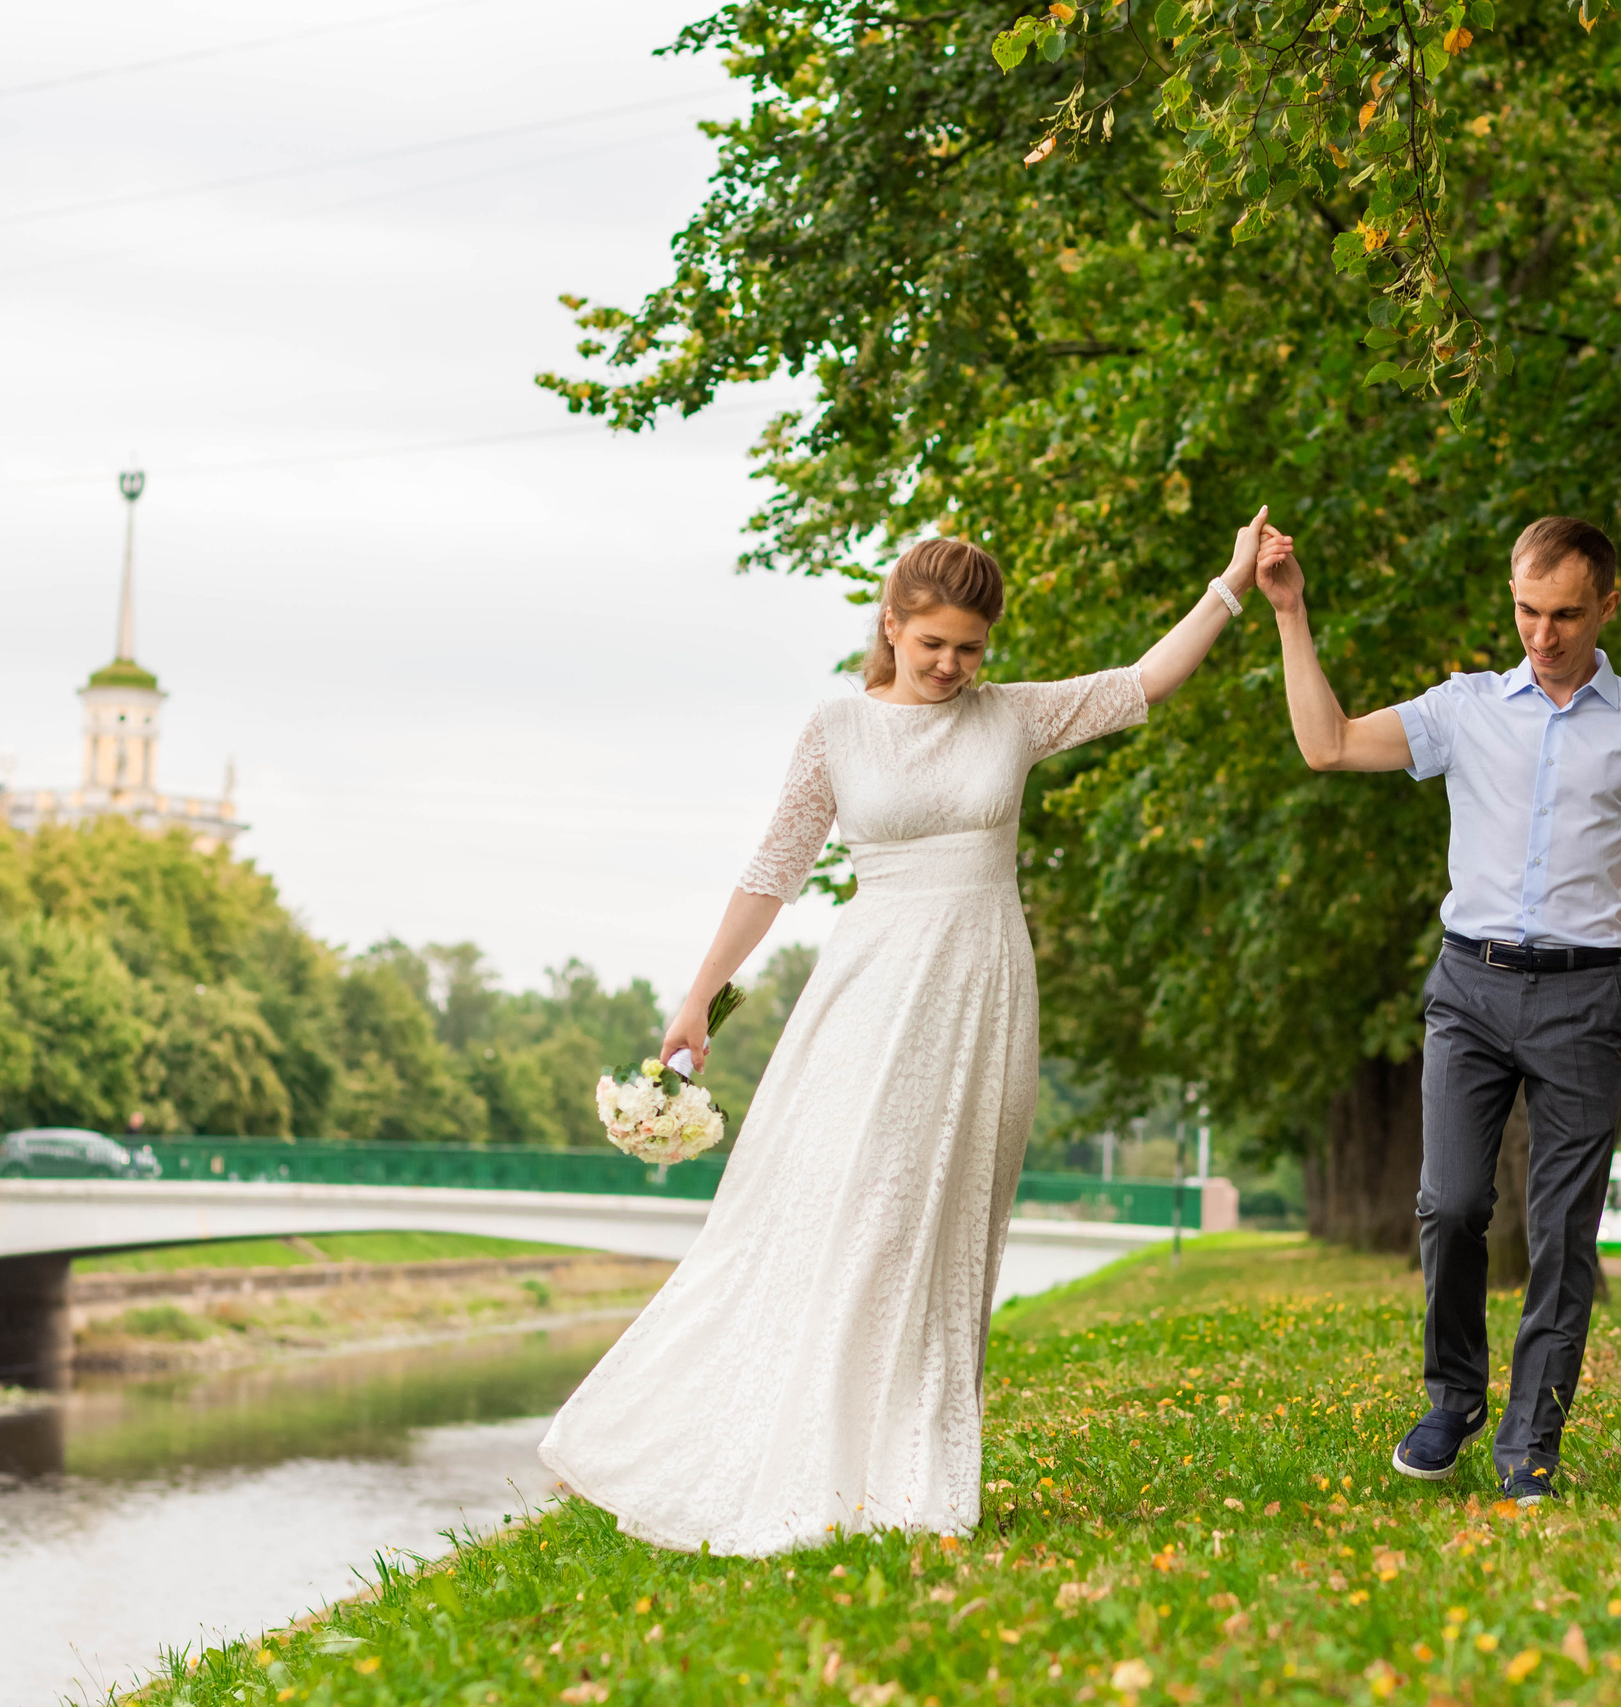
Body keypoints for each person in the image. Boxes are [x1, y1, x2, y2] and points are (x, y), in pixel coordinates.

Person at [539, 514, 1275, 1556]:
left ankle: (911, 1477)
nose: (951, 666)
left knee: (942, 1224)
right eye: (933, 644)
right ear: (891, 624)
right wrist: (700, 995)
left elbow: (1140, 684)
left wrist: (1231, 584)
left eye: (971, 648)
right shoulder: (834, 730)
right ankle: (779, 1456)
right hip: (868, 992)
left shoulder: (1010, 718)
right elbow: (772, 873)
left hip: (981, 995)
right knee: (853, 1211)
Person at [1252, 514, 1621, 1505]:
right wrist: (1290, 614)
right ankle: (1451, 1396)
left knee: (1561, 1232)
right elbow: (1324, 747)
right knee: (1450, 1205)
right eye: (1528, 612)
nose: (1543, 634)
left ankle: (1528, 1442)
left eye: (1566, 615)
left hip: (1585, 998)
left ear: (1607, 607)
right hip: (1469, 988)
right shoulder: (1463, 709)